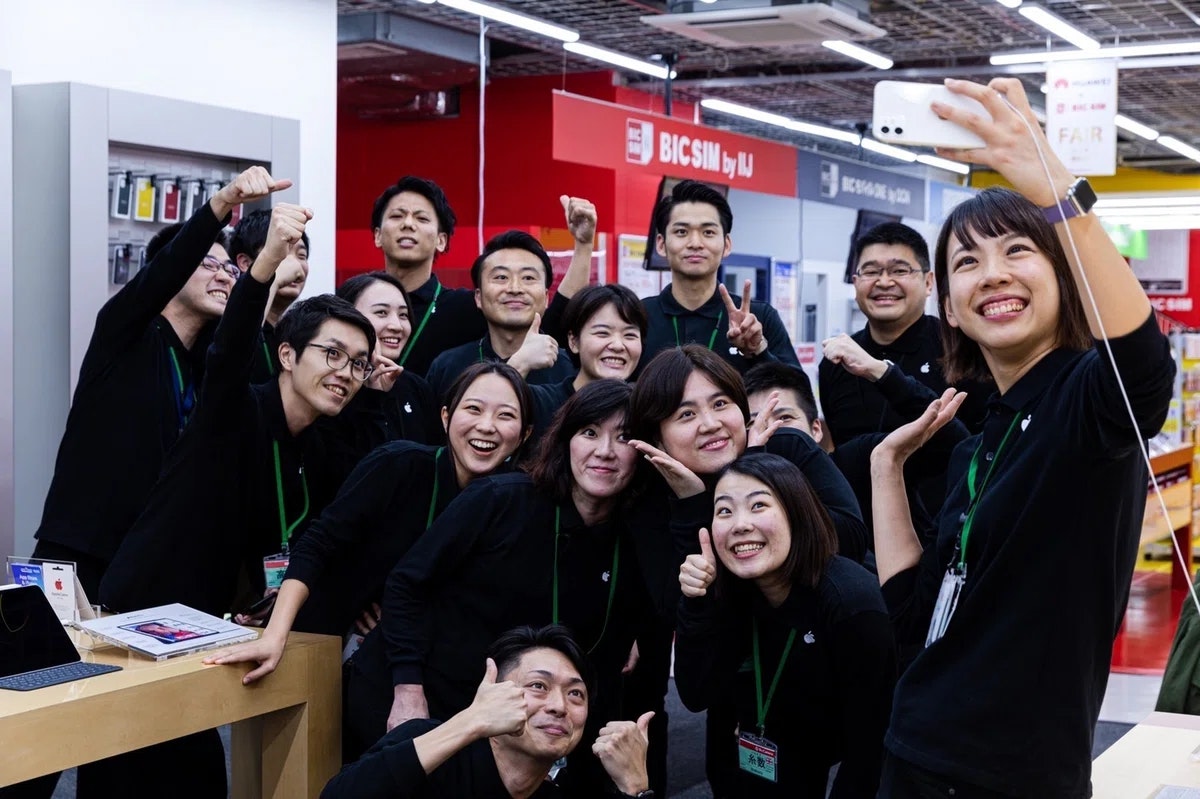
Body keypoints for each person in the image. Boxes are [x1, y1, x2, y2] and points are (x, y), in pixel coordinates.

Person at [869, 78, 1174, 798]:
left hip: (1015, 777)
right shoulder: (981, 445)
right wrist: (886, 467)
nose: (994, 275)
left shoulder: (1087, 403)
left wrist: (1058, 192)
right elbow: (913, 611)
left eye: (1017, 251)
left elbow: (1145, 371)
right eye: (967, 262)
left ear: (1063, 277)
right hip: (912, 751)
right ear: (949, 305)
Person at [344, 381, 655, 796]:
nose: (604, 451)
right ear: (565, 440)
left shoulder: (634, 540)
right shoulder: (500, 498)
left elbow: (607, 657)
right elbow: (406, 584)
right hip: (423, 698)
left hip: (517, 724)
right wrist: (408, 691)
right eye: (589, 432)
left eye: (623, 437)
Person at [101, 199, 378, 621]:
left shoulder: (317, 445)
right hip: (146, 612)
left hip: (223, 622)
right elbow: (230, 347)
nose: (345, 372)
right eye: (333, 354)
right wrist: (267, 264)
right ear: (287, 355)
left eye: (359, 363)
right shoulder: (234, 407)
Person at [204, 362, 532, 680]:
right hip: (326, 641)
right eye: (473, 409)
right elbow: (318, 544)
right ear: (445, 417)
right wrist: (275, 634)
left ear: (525, 434)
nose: (486, 426)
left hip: (421, 662)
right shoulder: (398, 464)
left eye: (505, 415)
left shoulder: (517, 504)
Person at [27, 168, 264, 601]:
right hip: (83, 554)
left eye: (230, 269)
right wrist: (223, 202)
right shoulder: (125, 333)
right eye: (208, 264)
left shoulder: (205, 367)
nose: (224, 276)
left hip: (153, 565)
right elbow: (165, 269)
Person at [675, 453, 895, 797]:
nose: (740, 524)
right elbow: (695, 694)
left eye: (758, 506)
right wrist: (696, 600)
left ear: (798, 513)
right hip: (770, 751)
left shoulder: (851, 601)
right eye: (724, 511)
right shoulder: (732, 587)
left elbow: (869, 747)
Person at [322, 625, 655, 799]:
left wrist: (635, 788)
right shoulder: (429, 745)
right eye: (538, 685)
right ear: (493, 692)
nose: (559, 705)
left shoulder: (552, 795)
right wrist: (470, 721)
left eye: (575, 694)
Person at [546, 180, 799, 375]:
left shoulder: (758, 319)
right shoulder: (636, 318)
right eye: (681, 232)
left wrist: (758, 350)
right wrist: (583, 246)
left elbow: (798, 396)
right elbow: (558, 344)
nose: (695, 243)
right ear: (661, 244)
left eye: (708, 232)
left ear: (727, 245)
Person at [744, 360, 968, 546]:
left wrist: (886, 374)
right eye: (754, 422)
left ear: (816, 429)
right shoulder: (736, 485)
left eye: (784, 418)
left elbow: (953, 445)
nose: (771, 430)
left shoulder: (856, 461)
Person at [819, 221, 986, 445]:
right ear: (856, 283)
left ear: (928, 283)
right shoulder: (836, 362)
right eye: (871, 272)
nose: (884, 282)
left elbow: (979, 446)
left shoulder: (962, 349)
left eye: (899, 271)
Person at [425, 230, 575, 400]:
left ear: (546, 297)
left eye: (528, 278)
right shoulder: (447, 367)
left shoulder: (570, 368)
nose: (515, 289)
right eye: (501, 277)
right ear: (478, 297)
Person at [371, 175, 486, 377]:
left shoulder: (467, 309)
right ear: (378, 235)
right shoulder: (350, 302)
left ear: (441, 241)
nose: (408, 224)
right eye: (397, 216)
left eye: (422, 218)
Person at [527, 283, 646, 443]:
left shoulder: (647, 410)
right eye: (603, 333)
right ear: (574, 341)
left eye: (630, 335)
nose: (618, 345)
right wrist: (520, 363)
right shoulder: (539, 403)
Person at [336, 271, 442, 444]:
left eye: (403, 315)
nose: (397, 326)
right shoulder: (333, 383)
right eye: (381, 312)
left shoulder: (416, 388)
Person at [230, 207, 310, 381]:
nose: (295, 265)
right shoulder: (224, 319)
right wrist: (273, 280)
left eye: (301, 255)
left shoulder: (295, 334)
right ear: (245, 263)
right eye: (282, 253)